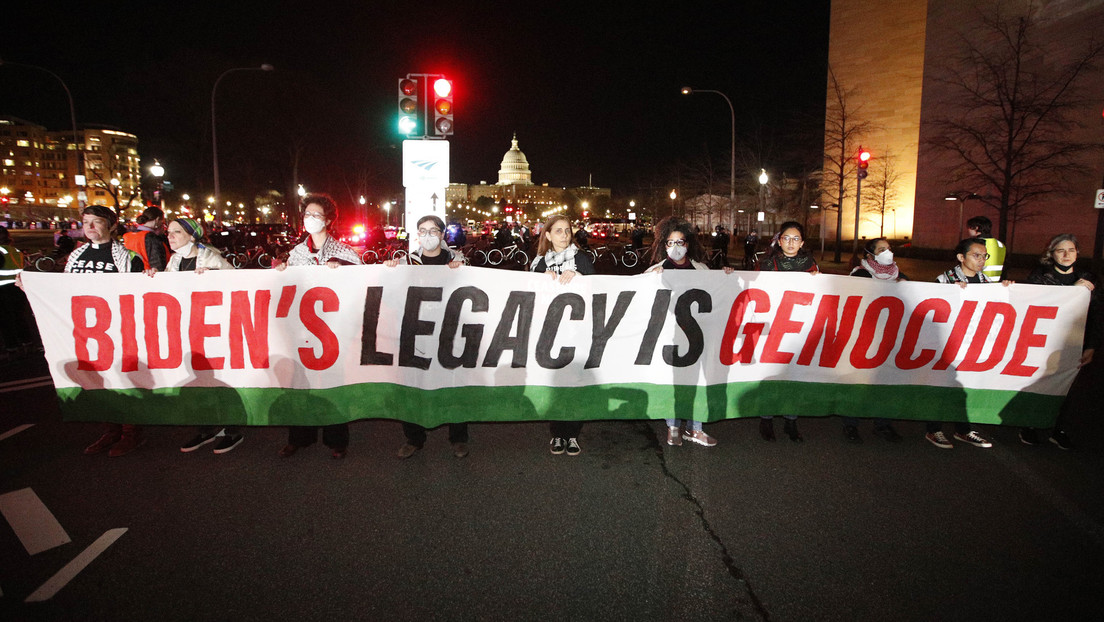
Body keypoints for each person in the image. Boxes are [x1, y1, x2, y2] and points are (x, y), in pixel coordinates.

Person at [28, 206, 146, 456]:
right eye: (86, 222)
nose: (89, 227)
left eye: (96, 222)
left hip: (117, 330)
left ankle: (131, 432)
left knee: (123, 381)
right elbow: (64, 289)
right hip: (86, 331)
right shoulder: (76, 256)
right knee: (97, 382)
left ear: (112, 226)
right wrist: (30, 284)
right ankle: (110, 429)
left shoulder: (129, 258)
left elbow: (137, 294)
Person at [274, 194, 362, 459]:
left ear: (328, 220)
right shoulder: (295, 254)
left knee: (333, 382)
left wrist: (342, 269)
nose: (310, 219)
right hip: (302, 331)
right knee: (300, 382)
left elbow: (361, 282)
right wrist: (281, 272)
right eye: (307, 214)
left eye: (316, 215)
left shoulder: (344, 253)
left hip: (334, 331)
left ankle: (337, 439)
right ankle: (300, 436)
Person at [385, 215, 469, 459]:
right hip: (416, 332)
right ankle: (414, 438)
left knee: (453, 384)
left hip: (449, 331)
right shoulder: (405, 262)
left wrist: (461, 271)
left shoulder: (458, 260)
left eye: (433, 231)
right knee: (413, 384)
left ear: (442, 235)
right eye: (422, 231)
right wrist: (389, 271)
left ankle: (458, 437)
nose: (428, 235)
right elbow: (389, 291)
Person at [645, 216, 733, 447]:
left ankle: (695, 428)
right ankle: (673, 426)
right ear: (664, 245)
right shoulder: (655, 271)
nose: (676, 247)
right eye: (670, 242)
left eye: (680, 242)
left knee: (698, 381)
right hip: (669, 338)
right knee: (674, 382)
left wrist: (726, 276)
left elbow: (719, 296)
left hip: (698, 338)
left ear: (688, 244)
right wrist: (650, 281)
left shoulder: (701, 269)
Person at [161, 217, 243, 454]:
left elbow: (235, 283)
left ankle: (232, 430)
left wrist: (214, 277)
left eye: (177, 232)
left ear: (191, 235)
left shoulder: (211, 257)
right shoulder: (174, 260)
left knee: (221, 380)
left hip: (214, 331)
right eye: (168, 232)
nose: (170, 236)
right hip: (189, 330)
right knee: (198, 380)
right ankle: (206, 427)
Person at [1020, 234, 1101, 450]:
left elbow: (1095, 314)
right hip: (1044, 341)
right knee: (1039, 383)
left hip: (1074, 342)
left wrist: (1092, 346)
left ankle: (1059, 429)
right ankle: (1030, 425)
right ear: (1051, 253)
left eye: (1071, 250)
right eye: (1061, 250)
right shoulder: (1040, 276)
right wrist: (1074, 289)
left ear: (1077, 253)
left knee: (1068, 387)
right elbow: (1039, 305)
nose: (1067, 255)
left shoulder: (1088, 278)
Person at [928, 237, 1010, 449]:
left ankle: (963, 429)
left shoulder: (987, 283)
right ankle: (934, 429)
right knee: (942, 386)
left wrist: (1007, 290)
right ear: (961, 257)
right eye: (976, 255)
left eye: (984, 256)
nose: (981, 260)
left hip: (974, 344)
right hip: (948, 343)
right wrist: (950, 293)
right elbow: (932, 310)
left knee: (967, 387)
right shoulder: (944, 280)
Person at [530, 214, 596, 456]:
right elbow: (528, 296)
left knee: (575, 383)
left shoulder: (581, 259)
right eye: (558, 231)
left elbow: (598, 289)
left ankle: (573, 434)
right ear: (547, 235)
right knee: (555, 385)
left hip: (577, 332)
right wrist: (541, 281)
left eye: (567, 230)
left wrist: (579, 278)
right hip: (549, 334)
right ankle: (557, 433)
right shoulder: (539, 263)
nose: (564, 235)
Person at [756, 221, 817, 442]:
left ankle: (791, 420)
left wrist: (817, 280)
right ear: (779, 241)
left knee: (794, 374)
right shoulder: (767, 264)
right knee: (771, 373)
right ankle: (766, 419)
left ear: (802, 243)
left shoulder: (810, 265)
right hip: (772, 326)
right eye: (787, 238)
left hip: (798, 327)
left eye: (796, 239)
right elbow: (755, 289)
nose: (791, 243)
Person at [842, 237, 906, 443]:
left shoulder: (898, 275)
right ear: (870, 255)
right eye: (881, 249)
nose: (888, 252)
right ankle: (851, 424)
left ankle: (883, 424)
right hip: (862, 337)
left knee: (885, 382)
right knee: (858, 382)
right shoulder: (860, 274)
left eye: (888, 248)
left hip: (889, 338)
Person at [123, 206, 169, 271]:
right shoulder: (152, 238)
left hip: (132, 273)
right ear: (157, 219)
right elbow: (158, 264)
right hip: (148, 274)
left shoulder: (128, 236)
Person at [965, 215, 1006, 281]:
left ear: (976, 228)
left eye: (969, 228)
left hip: (978, 283)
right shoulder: (1000, 244)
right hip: (996, 283)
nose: (968, 230)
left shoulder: (975, 245)